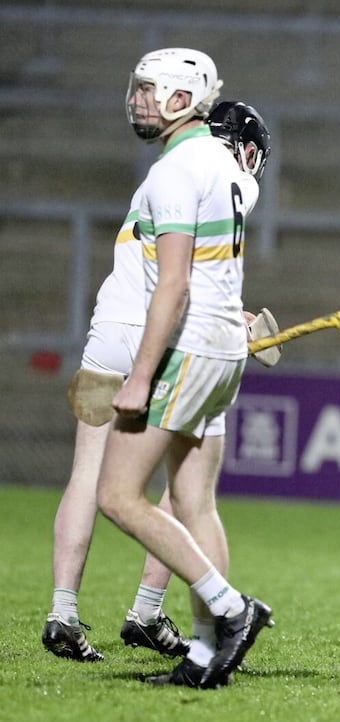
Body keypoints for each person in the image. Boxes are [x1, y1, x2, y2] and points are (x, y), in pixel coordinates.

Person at [41, 86, 274, 678]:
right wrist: (232, 320)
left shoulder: (164, 173)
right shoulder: (229, 176)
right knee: (182, 493)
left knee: (87, 478)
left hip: (107, 332)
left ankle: (63, 611)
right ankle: (159, 611)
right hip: (162, 337)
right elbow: (191, 276)